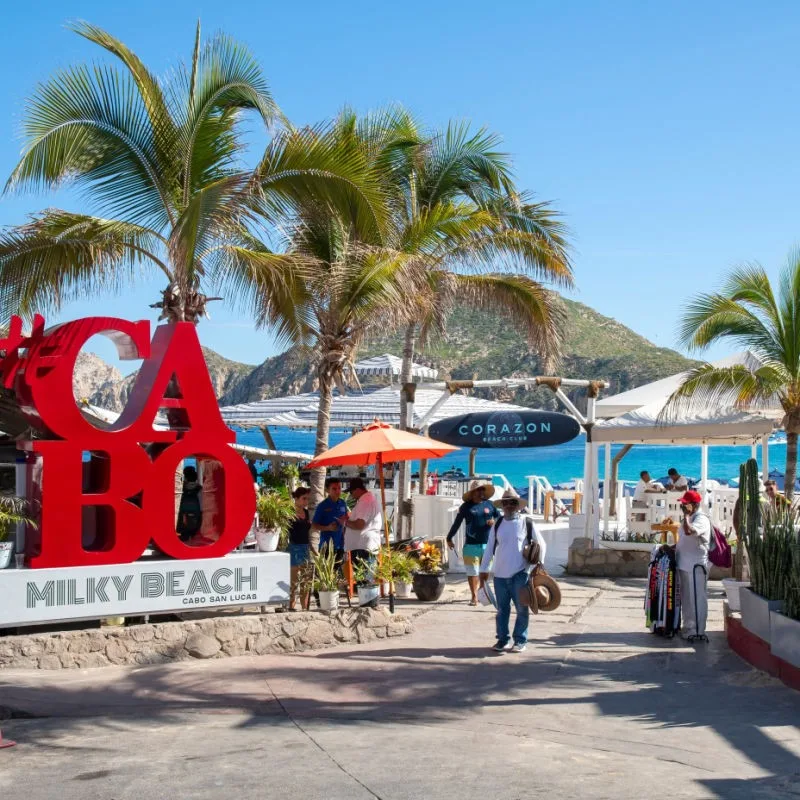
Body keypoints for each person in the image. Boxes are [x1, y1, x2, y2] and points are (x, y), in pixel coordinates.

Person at [479, 488, 540, 653]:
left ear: (518, 505)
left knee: (522, 609)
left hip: (520, 574)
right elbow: (489, 547)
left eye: (512, 502)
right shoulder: (497, 524)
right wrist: (483, 569)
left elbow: (541, 545)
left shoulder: (526, 523)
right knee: (502, 610)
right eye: (505, 502)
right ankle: (502, 640)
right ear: (502, 505)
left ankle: (520, 640)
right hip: (499, 575)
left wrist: (533, 569)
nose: (509, 505)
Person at [446, 479, 500, 606]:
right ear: (473, 492)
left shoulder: (490, 505)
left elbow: (500, 519)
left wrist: (494, 523)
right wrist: (449, 538)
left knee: (485, 571)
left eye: (483, 489)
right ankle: (474, 596)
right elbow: (457, 523)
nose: (482, 492)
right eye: (479, 490)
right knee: (472, 572)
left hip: (488, 544)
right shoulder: (466, 507)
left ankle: (482, 592)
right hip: (471, 545)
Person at [675, 489, 711, 640]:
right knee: (687, 599)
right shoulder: (689, 518)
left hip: (696, 565)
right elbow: (684, 538)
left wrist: (686, 516)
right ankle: (689, 627)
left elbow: (690, 532)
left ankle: (698, 630)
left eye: (685, 504)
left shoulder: (700, 519)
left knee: (697, 598)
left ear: (694, 505)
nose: (682, 506)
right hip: (685, 564)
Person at [344, 477, 383, 567]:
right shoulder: (367, 499)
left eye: (351, 492)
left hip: (362, 548)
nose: (351, 495)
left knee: (363, 579)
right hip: (364, 546)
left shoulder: (365, 501)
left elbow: (359, 524)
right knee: (365, 578)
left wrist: (344, 521)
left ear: (357, 490)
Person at [287, 487, 312, 611]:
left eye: (307, 499)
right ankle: (291, 605)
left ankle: (304, 606)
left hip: (305, 547)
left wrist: (312, 548)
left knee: (306, 580)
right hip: (294, 547)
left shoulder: (306, 513)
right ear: (296, 498)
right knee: (293, 580)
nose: (306, 501)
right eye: (303, 498)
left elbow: (308, 532)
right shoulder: (289, 512)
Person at [312, 478, 348, 560]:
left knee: (338, 572)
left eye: (339, 488)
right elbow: (314, 525)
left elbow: (346, 520)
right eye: (334, 489)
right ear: (327, 490)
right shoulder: (322, 506)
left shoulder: (342, 503)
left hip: (340, 546)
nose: (338, 491)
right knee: (327, 572)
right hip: (326, 547)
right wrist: (328, 528)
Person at [177, 466, 202, 542]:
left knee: (184, 532)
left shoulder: (182, 487)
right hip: (196, 512)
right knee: (195, 531)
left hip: (183, 512)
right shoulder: (199, 488)